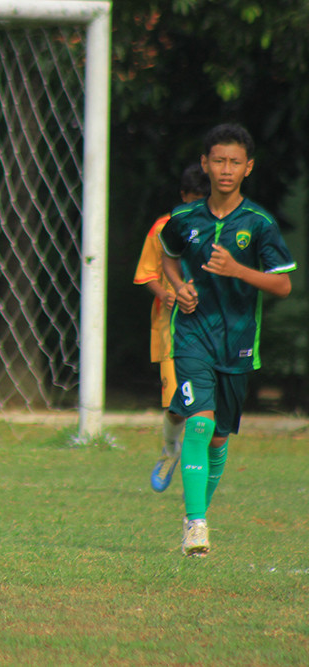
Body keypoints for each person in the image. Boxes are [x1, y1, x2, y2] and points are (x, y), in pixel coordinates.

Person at [159, 123, 295, 557]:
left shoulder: (258, 224)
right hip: (193, 334)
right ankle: (197, 525)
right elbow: (168, 255)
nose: (225, 169)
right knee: (199, 422)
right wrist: (179, 286)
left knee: (218, 438)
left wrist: (238, 270)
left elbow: (282, 286)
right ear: (205, 164)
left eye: (235, 162)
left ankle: (194, 513)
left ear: (248, 168)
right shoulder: (184, 219)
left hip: (237, 342)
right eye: (218, 160)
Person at [133, 163, 210, 493]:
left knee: (207, 410)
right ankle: (170, 450)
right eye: (192, 201)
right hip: (171, 328)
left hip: (210, 328)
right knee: (178, 406)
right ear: (183, 197)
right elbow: (147, 272)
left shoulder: (224, 227)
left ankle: (199, 473)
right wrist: (164, 291)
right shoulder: (163, 228)